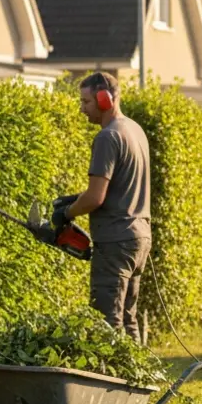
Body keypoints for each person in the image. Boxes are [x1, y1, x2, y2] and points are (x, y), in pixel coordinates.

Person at [55, 72, 152, 340]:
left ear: (104, 100)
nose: (82, 108)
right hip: (139, 238)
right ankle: (135, 380)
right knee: (127, 317)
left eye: (86, 102)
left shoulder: (108, 137)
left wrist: (65, 213)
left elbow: (96, 197)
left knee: (105, 321)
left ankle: (109, 381)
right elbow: (117, 187)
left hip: (115, 242)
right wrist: (75, 200)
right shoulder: (135, 130)